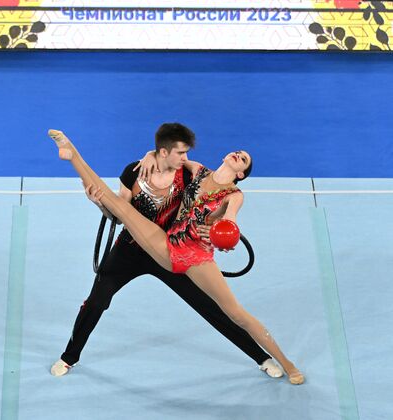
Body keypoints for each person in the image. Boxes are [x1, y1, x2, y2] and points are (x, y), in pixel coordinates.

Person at [47, 128, 305, 385]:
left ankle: (264, 357)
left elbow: (230, 219)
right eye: (238, 152)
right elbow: (124, 205)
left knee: (218, 310)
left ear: (241, 174)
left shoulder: (213, 184)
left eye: (244, 159)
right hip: (141, 244)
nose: (184, 156)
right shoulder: (169, 170)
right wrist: (146, 157)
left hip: (182, 254)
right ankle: (69, 356)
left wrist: (221, 232)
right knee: (96, 298)